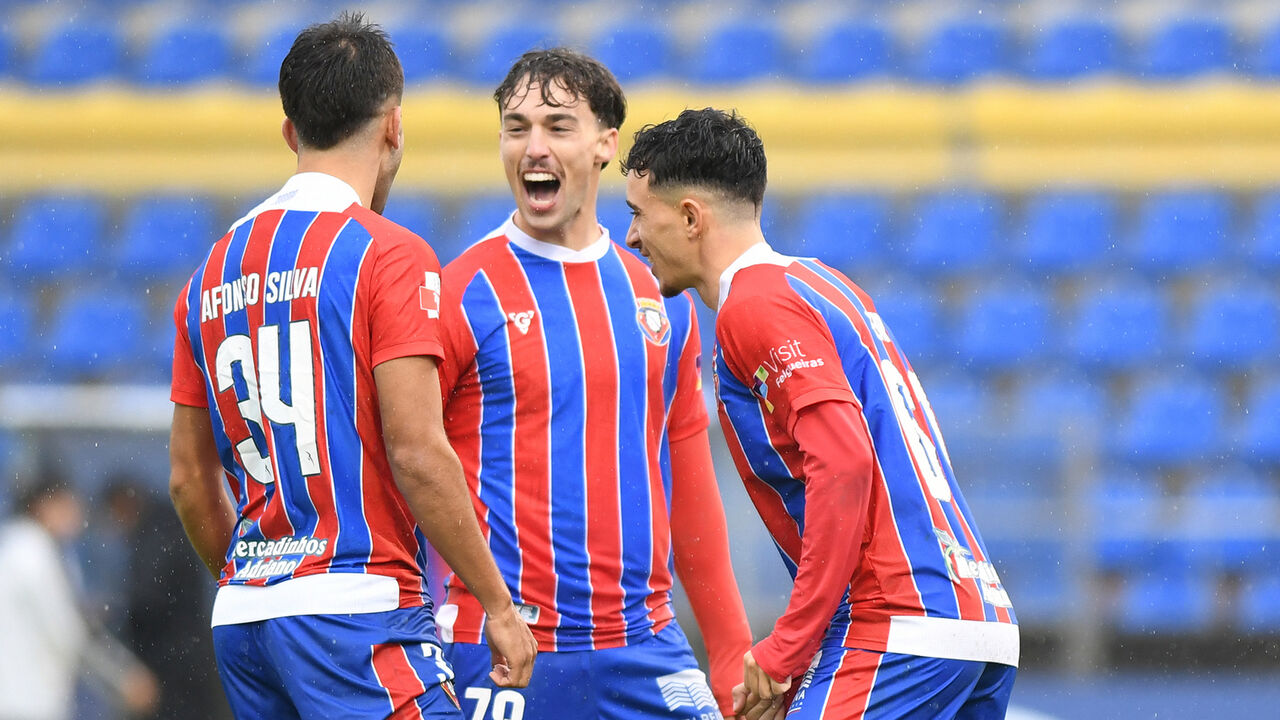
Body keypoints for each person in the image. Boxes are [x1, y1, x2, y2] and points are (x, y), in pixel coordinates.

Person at [167, 13, 536, 719]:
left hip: (247, 621)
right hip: (355, 614)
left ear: (288, 132)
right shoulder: (387, 254)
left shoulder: (208, 272)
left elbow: (189, 479)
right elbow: (418, 452)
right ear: (394, 126)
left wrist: (261, 583)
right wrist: (497, 602)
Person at [621, 108, 1019, 720]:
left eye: (639, 215)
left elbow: (845, 462)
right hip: (978, 622)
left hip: (899, 628)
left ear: (691, 217)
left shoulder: (751, 309)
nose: (632, 238)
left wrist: (787, 646)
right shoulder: (824, 285)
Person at [435, 48, 752, 719]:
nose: (533, 147)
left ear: (607, 143)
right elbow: (408, 470)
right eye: (516, 128)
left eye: (557, 126)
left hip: (646, 648)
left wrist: (728, 652)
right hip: (503, 649)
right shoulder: (461, 291)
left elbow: (689, 487)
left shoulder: (660, 294)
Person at [0, 477, 158, 720]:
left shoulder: (13, 545)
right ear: (44, 505)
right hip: (30, 703)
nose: (77, 514)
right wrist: (123, 678)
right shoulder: (35, 554)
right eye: (69, 504)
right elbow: (68, 634)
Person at [100, 478, 230, 720]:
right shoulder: (167, 526)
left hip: (174, 661)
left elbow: (148, 597)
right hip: (189, 654)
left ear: (122, 504)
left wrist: (117, 612)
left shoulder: (155, 533)